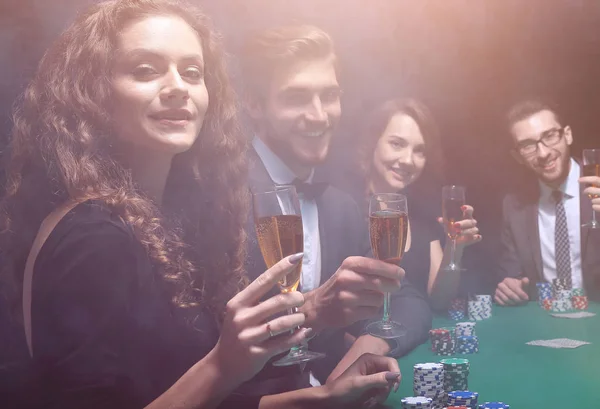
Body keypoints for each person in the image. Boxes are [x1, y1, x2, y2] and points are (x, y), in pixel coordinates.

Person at [0, 1, 402, 408]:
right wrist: (223, 365)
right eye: (145, 70)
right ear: (93, 92)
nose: (178, 86)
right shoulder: (93, 233)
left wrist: (325, 399)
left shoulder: (156, 221)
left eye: (192, 72)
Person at [238, 25, 432, 386]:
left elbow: (408, 297)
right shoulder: (218, 194)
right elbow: (198, 350)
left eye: (329, 95)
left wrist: (368, 344)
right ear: (254, 103)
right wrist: (310, 310)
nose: (319, 115)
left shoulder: (339, 207)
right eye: (296, 97)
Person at [352, 98, 482, 310]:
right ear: (372, 142)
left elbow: (439, 300)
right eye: (397, 144)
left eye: (419, 150)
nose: (408, 160)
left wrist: (454, 249)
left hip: (414, 337)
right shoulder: (345, 208)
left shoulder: (421, 216)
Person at [494, 99, 600, 305]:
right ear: (518, 156)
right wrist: (509, 286)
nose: (543, 153)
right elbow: (512, 274)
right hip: (547, 324)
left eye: (549, 136)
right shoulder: (514, 205)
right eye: (528, 146)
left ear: (567, 135)